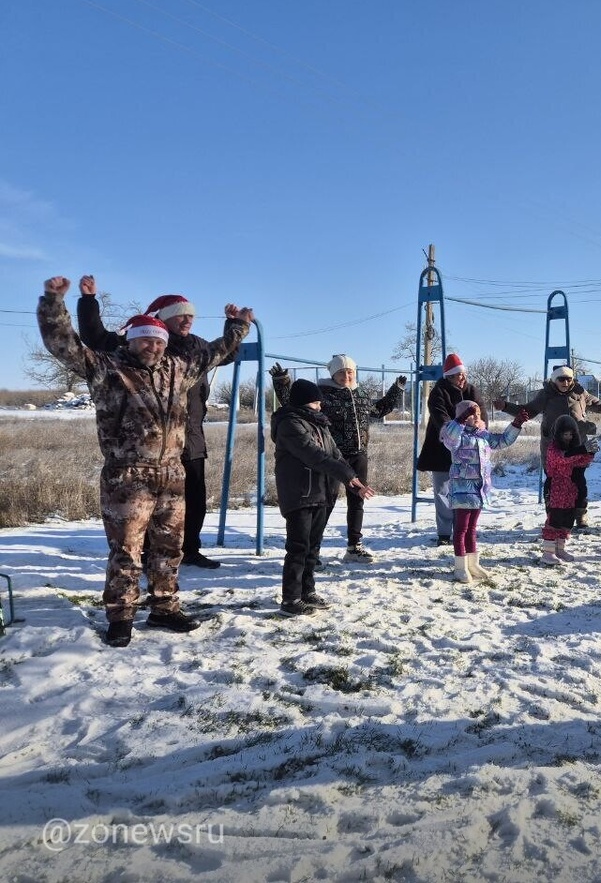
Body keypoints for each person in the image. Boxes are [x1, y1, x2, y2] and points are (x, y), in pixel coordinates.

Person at [38, 276, 252, 647]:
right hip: (128, 474)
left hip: (171, 472)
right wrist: (54, 302)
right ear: (132, 339)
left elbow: (216, 351)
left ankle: (165, 608)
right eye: (145, 339)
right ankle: (121, 616)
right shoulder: (107, 368)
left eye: (158, 340)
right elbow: (64, 344)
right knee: (127, 550)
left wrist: (238, 326)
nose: (152, 345)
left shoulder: (179, 369)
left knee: (170, 547)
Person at [77, 281, 237, 569]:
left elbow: (225, 354)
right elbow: (94, 337)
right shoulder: (137, 344)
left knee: (194, 499)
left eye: (191, 316)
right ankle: (147, 552)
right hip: (145, 444)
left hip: (190, 438)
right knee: (148, 504)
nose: (188, 320)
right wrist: (89, 301)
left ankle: (190, 549)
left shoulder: (197, 346)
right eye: (180, 315)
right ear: (161, 317)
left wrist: (233, 325)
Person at [270, 355, 405, 563]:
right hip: (330, 457)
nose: (347, 376)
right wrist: (282, 382)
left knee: (357, 502)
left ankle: (354, 546)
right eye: (342, 372)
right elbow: (292, 402)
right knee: (325, 504)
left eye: (350, 371)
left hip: (359, 454)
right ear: (333, 374)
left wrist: (396, 389)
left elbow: (379, 409)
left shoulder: (361, 393)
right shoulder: (322, 394)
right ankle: (312, 552)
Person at [271, 378, 376, 615]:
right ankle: (290, 599)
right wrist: (346, 475)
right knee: (298, 547)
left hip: (320, 492)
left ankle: (307, 592)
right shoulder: (290, 424)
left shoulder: (319, 423)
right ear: (305, 402)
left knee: (312, 548)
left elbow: (335, 454)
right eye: (316, 402)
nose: (320, 406)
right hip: (299, 494)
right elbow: (314, 455)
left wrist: (353, 480)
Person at [492, 364, 601, 528]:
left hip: (577, 447)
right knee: (553, 484)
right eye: (561, 379)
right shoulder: (546, 394)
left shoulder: (581, 393)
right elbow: (528, 410)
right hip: (554, 449)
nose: (565, 382)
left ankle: (580, 514)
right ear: (554, 380)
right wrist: (506, 406)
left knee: (578, 483)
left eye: (568, 379)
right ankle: (552, 516)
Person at [438, 400, 527, 583]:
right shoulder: (456, 434)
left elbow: (502, 441)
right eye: (471, 413)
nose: (476, 416)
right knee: (461, 529)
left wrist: (516, 424)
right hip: (462, 489)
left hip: (479, 489)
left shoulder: (483, 435)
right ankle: (460, 566)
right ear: (462, 416)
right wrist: (461, 420)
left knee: (472, 528)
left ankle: (473, 563)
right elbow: (450, 440)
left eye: (477, 413)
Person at [416, 354, 488, 546]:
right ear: (448, 376)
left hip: (468, 453)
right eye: (457, 375)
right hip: (441, 449)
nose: (462, 378)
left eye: (463, 374)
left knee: (466, 493)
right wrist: (454, 432)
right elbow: (441, 417)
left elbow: (482, 415)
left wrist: (480, 426)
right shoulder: (438, 392)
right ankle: (444, 533)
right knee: (443, 491)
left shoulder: (472, 390)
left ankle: (463, 530)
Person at [540, 414, 597, 565]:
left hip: (570, 490)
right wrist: (581, 450)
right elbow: (563, 458)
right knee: (554, 520)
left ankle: (560, 548)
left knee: (566, 520)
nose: (568, 438)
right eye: (565, 434)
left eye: (571, 434)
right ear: (558, 434)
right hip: (555, 489)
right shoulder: (553, 449)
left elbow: (580, 461)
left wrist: (590, 453)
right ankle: (548, 552)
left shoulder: (574, 449)